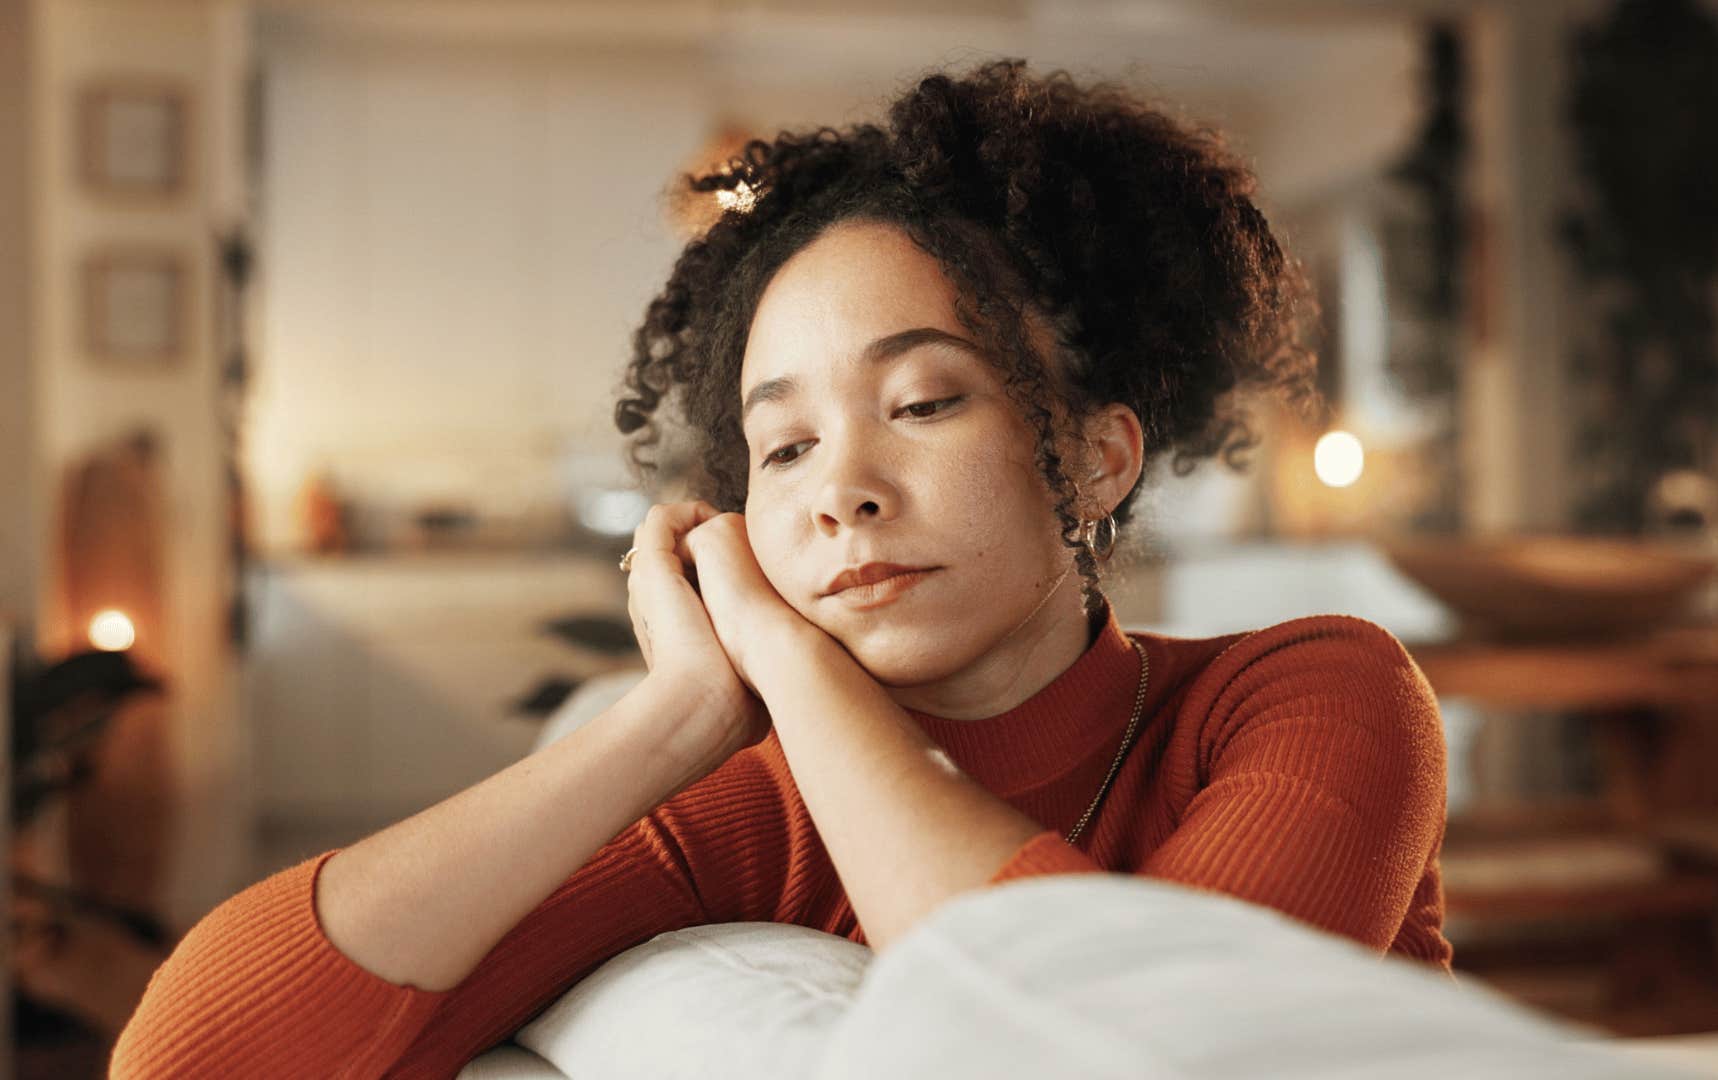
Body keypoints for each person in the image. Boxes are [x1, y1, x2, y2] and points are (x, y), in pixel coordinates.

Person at [112, 58, 1450, 1079]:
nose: (843, 492)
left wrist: (795, 670)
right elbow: (188, 1058)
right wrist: (676, 717)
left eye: (923, 404)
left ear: (1098, 460)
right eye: (786, 447)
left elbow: (1129, 1050)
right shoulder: (755, 814)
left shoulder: (1314, 691)